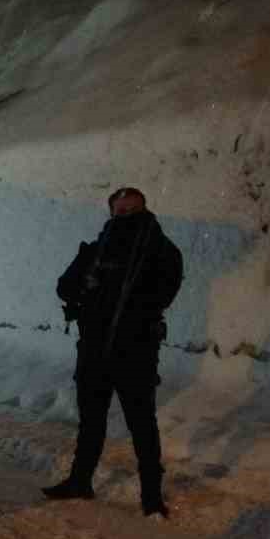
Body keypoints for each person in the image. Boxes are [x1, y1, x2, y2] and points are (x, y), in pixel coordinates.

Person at [45, 186, 183, 516]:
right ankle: (80, 481)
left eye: (132, 210)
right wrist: (88, 286)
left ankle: (151, 498)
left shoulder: (161, 251)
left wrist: (115, 295)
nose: (125, 217)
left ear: (145, 208)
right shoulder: (96, 250)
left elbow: (162, 294)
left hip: (135, 352)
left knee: (142, 425)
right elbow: (65, 286)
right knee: (91, 421)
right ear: (111, 213)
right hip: (94, 349)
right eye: (120, 211)